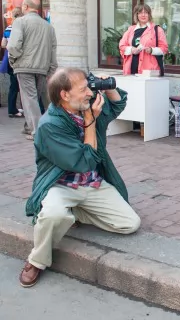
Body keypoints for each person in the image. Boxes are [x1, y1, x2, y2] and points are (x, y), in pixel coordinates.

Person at [19, 67, 140, 288]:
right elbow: (83, 161)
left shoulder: (84, 106)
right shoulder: (50, 126)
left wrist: (110, 87)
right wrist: (90, 121)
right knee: (53, 215)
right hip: (61, 184)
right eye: (83, 88)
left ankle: (75, 212)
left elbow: (118, 105)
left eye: (89, 86)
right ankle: (36, 260)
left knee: (130, 223)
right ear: (64, 95)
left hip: (91, 183)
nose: (89, 92)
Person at [7, 0, 57, 140]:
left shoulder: (20, 22)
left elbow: (13, 46)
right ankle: (30, 127)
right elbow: (53, 50)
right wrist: (51, 69)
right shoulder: (48, 26)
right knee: (35, 98)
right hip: (42, 68)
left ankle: (37, 132)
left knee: (30, 99)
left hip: (24, 67)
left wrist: (14, 59)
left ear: (25, 7)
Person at [119, 3, 168, 76]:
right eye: (140, 13)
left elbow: (164, 48)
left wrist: (151, 50)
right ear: (137, 15)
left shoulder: (157, 30)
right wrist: (132, 50)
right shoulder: (131, 29)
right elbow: (122, 46)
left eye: (146, 12)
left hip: (148, 71)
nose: (143, 15)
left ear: (149, 15)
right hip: (130, 69)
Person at [2, 7, 24, 118]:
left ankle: (14, 108)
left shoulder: (8, 28)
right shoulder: (19, 28)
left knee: (14, 85)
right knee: (17, 86)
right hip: (17, 61)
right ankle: (13, 110)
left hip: (9, 61)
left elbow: (3, 44)